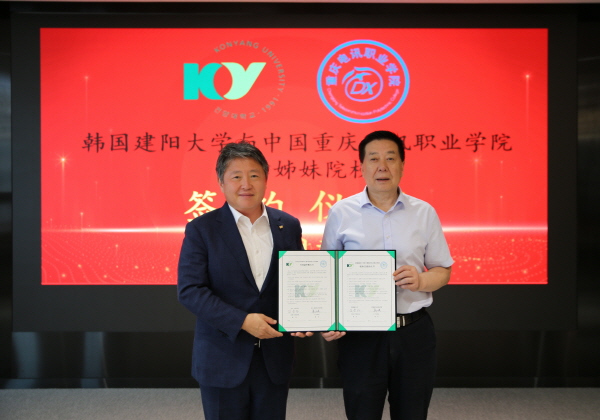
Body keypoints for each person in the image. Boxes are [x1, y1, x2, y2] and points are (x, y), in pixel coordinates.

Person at [321, 130, 454, 420]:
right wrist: (328, 318)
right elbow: (327, 275)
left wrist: (421, 280)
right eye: (374, 159)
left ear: (402, 165)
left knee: (412, 413)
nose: (382, 166)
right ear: (362, 166)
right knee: (362, 412)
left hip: (413, 333)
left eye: (391, 158)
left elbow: (443, 271)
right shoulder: (341, 213)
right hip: (360, 336)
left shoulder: (424, 212)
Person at [177, 141, 311, 420]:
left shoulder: (288, 225)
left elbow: (299, 281)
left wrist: (306, 315)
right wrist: (242, 321)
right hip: (222, 358)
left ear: (266, 179)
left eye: (254, 175)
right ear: (221, 183)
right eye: (236, 176)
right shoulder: (202, 229)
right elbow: (191, 290)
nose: (246, 184)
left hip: (274, 358)